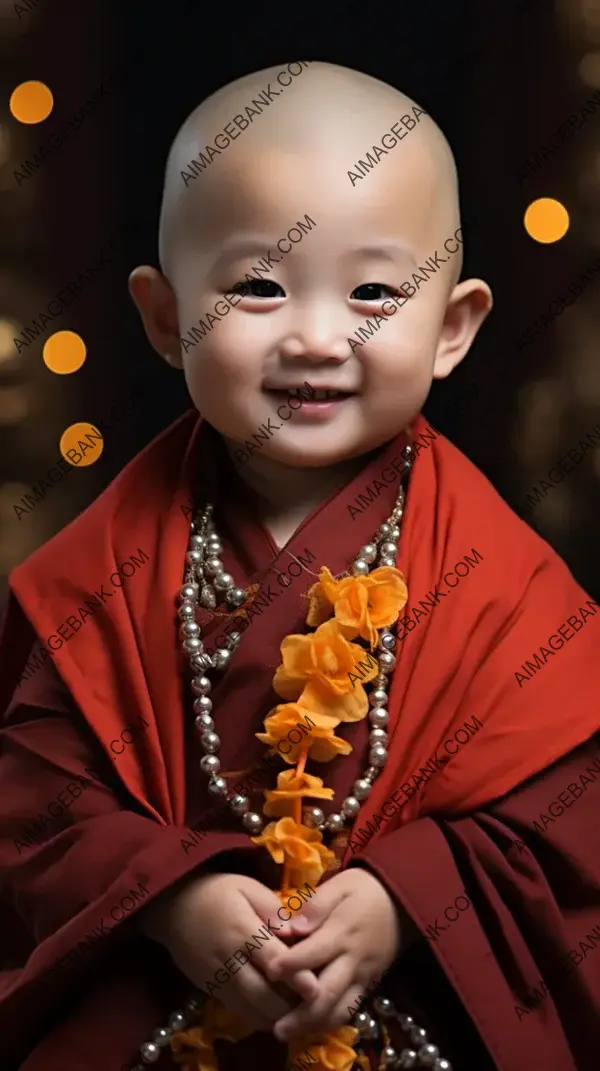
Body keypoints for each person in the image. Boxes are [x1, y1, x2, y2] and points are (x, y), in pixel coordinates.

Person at [1, 60, 600, 1071]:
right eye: (259, 288)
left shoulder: (506, 584)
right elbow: (33, 794)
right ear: (162, 317)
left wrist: (415, 892)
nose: (319, 338)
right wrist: (164, 896)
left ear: (453, 329)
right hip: (160, 1010)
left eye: (374, 291)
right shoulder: (97, 572)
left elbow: (569, 811)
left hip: (416, 1021)